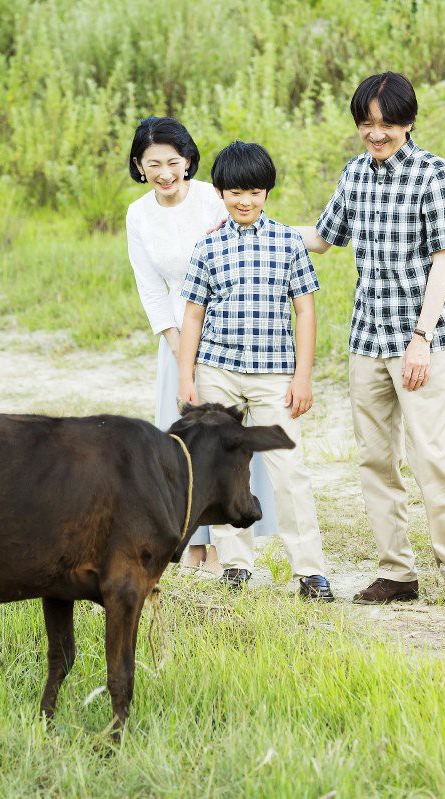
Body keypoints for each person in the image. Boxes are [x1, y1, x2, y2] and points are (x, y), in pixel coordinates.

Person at [297, 72, 445, 604]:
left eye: (387, 124)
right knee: (375, 458)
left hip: (424, 338)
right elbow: (324, 239)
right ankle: (396, 572)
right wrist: (252, 223)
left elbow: (443, 262)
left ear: (408, 121)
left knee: (430, 454)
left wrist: (421, 338)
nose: (377, 134)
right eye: (367, 124)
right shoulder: (354, 174)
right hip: (367, 340)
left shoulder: (432, 174)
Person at [178, 140, 334, 600]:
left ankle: (310, 570)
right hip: (218, 372)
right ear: (220, 192)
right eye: (235, 192)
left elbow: (305, 312)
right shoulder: (207, 247)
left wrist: (302, 376)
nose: (245, 201)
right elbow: (193, 315)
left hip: (274, 376)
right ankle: (236, 564)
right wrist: (187, 377)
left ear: (267, 192)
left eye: (255, 192)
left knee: (289, 469)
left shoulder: (287, 242)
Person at [126, 118, 277, 571]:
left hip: (228, 325)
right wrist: (177, 348)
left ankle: (224, 548)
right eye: (154, 164)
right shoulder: (138, 214)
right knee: (181, 439)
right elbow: (149, 287)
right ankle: (191, 542)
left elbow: (252, 235)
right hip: (176, 330)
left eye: (174, 162)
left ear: (188, 160)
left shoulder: (215, 196)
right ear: (139, 165)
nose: (166, 172)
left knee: (222, 439)